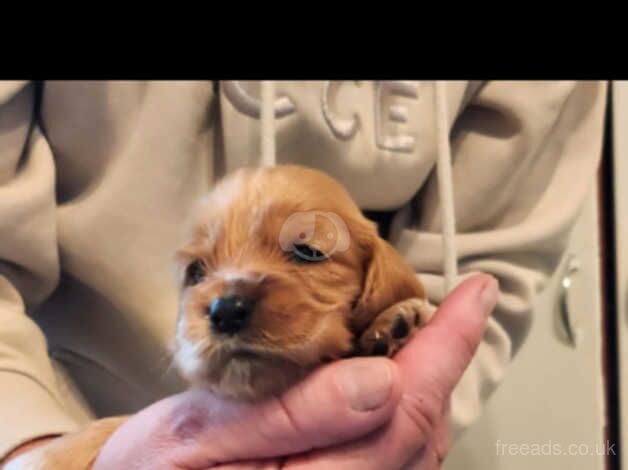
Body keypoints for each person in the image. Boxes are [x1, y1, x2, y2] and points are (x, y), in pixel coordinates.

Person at [0, 81, 607, 469]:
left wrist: (392, 424)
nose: (227, 300)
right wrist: (23, 446)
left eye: (307, 252)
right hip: (68, 412)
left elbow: (485, 254)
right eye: (199, 271)